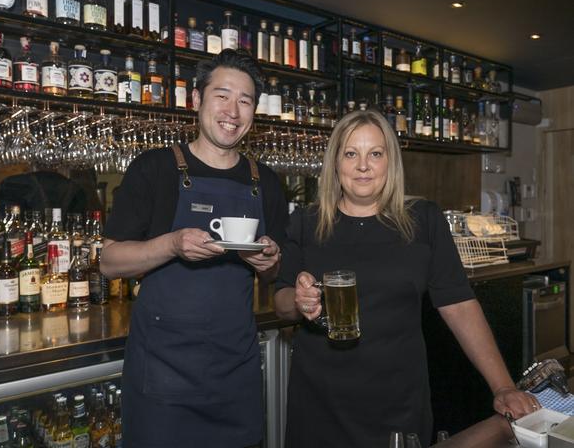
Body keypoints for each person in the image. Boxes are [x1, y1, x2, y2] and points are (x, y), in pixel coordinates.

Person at [273, 109, 539, 448]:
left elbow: (458, 304)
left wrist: (502, 386)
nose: (363, 165)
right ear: (335, 162)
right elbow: (281, 301)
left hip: (398, 400)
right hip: (319, 402)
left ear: (391, 162)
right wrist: (298, 300)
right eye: (351, 153)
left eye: (376, 153)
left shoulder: (423, 220)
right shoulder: (307, 222)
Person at [101, 49, 288, 447]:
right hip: (164, 376)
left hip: (234, 374)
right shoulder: (155, 169)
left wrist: (267, 261)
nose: (232, 111)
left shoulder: (266, 182)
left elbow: (274, 274)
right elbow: (109, 262)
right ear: (197, 100)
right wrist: (171, 244)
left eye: (245, 100)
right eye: (221, 95)